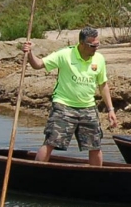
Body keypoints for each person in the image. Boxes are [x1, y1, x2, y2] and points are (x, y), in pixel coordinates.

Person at [23, 27, 118, 166]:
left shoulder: (99, 59)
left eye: (97, 45)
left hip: (88, 107)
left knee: (95, 145)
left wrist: (111, 110)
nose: (95, 49)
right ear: (81, 43)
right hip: (64, 106)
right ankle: (36, 173)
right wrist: (29, 53)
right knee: (51, 141)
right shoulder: (65, 54)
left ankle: (96, 179)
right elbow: (38, 65)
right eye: (92, 46)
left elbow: (103, 85)